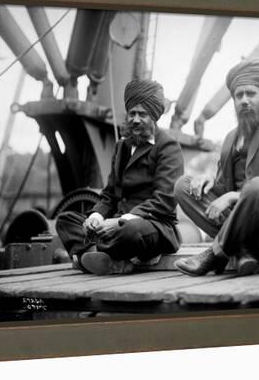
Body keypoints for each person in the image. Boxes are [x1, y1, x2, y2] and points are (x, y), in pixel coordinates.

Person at [174, 57, 259, 277]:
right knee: (184, 185)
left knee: (258, 186)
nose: (244, 100)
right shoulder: (230, 139)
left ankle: (215, 255)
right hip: (243, 227)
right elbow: (222, 186)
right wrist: (210, 181)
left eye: (251, 94)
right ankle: (243, 250)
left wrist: (232, 197)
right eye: (239, 95)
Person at [56, 79, 184, 275]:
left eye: (142, 114)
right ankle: (109, 258)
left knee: (130, 232)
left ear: (155, 116)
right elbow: (109, 195)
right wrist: (96, 217)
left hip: (153, 225)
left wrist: (120, 222)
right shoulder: (122, 147)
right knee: (66, 220)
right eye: (132, 113)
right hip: (116, 222)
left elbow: (164, 201)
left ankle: (89, 255)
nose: (135, 119)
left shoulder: (168, 146)